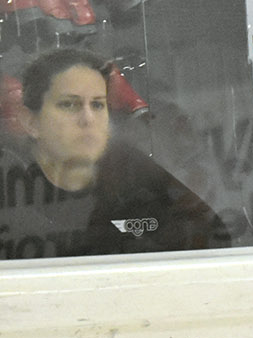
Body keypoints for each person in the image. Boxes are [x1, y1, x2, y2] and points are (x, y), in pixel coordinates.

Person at [0, 47, 229, 259]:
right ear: (30, 122)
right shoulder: (10, 187)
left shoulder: (140, 178)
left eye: (98, 105)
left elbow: (214, 242)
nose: (88, 119)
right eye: (69, 105)